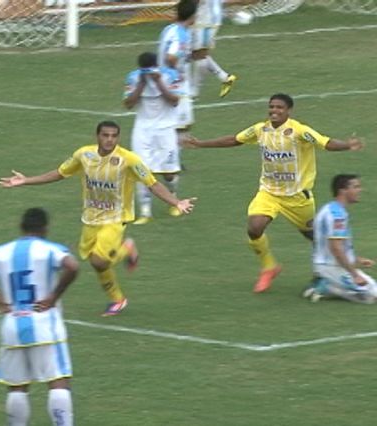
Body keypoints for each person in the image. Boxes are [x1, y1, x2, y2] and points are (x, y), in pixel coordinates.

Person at [0, 121, 197, 316]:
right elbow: (59, 173)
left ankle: (118, 299)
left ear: (118, 138)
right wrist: (26, 180)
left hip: (116, 219)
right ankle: (126, 251)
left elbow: (152, 184)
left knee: (99, 261)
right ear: (98, 136)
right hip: (91, 219)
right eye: (105, 135)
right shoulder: (84, 155)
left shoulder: (129, 160)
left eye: (114, 136)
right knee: (94, 261)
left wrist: (176, 202)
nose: (109, 140)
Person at [187, 93, 363, 293]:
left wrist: (347, 145)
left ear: (288, 111)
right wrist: (201, 143)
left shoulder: (299, 131)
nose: (274, 111)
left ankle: (322, 275)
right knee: (254, 227)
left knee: (316, 237)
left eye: (279, 107)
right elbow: (234, 139)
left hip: (298, 197)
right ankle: (269, 266)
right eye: (272, 107)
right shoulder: (261, 130)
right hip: (269, 192)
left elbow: (326, 143)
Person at [0, 207, 79, 426]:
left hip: (12, 326)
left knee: (17, 386)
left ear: (21, 227)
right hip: (45, 324)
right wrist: (53, 296)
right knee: (58, 381)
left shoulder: (0, 252)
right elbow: (72, 266)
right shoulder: (49, 249)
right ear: (45, 228)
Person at [124, 52, 183, 222]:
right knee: (142, 170)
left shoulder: (170, 75)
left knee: (169, 173)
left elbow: (174, 101)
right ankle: (145, 212)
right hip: (143, 130)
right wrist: (141, 84)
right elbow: (128, 104)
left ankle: (173, 199)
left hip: (165, 129)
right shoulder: (133, 78)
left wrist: (158, 81)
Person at [304, 174, 377, 303]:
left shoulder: (329, 209)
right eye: (355, 187)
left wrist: (357, 259)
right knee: (372, 296)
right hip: (332, 267)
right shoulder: (337, 215)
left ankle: (325, 282)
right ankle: (327, 287)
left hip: (327, 265)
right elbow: (336, 248)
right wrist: (355, 275)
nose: (359, 190)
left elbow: (328, 244)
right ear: (342, 190)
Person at [157, 0, 197, 140]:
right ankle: (173, 160)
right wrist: (178, 72)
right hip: (175, 84)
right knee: (181, 127)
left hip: (164, 81)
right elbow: (171, 57)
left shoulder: (169, 29)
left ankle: (173, 159)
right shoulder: (181, 35)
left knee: (175, 125)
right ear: (192, 16)